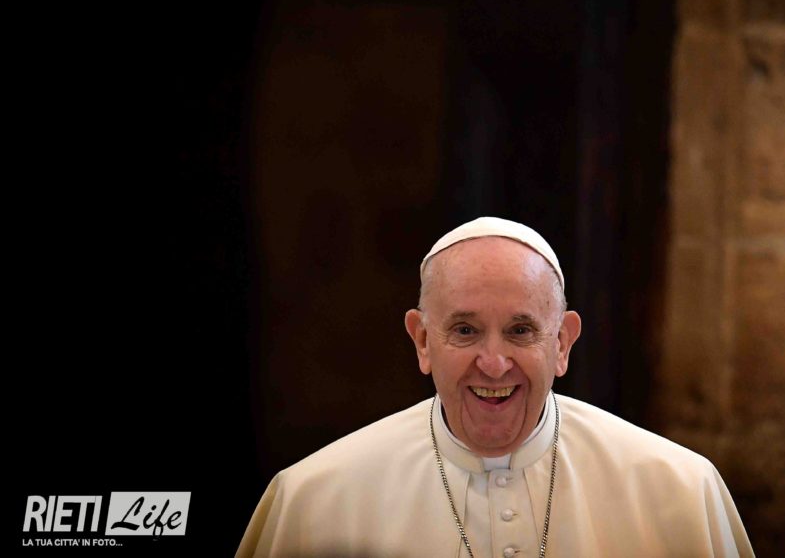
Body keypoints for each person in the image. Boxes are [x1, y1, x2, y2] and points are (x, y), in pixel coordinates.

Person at [237, 216, 754, 557]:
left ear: (562, 343)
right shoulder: (315, 500)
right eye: (464, 330)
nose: (493, 363)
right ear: (422, 341)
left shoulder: (679, 491)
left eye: (520, 330)